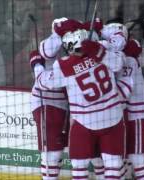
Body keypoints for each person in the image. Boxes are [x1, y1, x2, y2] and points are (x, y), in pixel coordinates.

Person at [32, 26, 126, 179]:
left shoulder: (63, 66)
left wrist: (36, 64)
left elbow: (43, 82)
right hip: (113, 118)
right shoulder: (102, 50)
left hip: (85, 122)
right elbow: (119, 61)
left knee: (79, 167)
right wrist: (99, 51)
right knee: (114, 165)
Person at [99, 22, 144, 180]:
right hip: (123, 112)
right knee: (118, 156)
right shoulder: (125, 53)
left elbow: (125, 88)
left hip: (136, 111)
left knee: (136, 155)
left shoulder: (128, 57)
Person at [29, 18, 71, 180]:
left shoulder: (74, 42)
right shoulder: (50, 44)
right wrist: (60, 33)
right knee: (51, 151)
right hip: (45, 101)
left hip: (65, 103)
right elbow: (47, 52)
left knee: (58, 150)